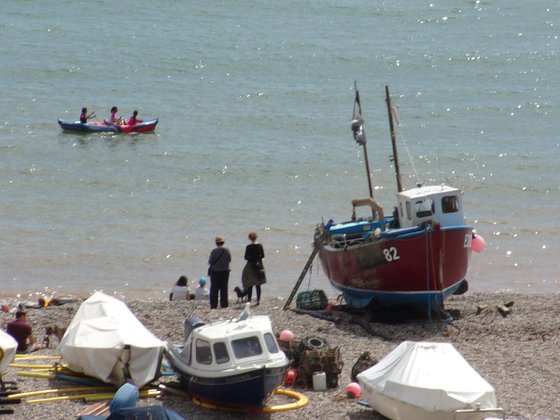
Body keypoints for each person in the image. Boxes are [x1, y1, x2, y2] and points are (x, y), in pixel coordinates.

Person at [241, 231, 266, 306]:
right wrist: (258, 258)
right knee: (258, 284)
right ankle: (258, 300)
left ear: (249, 238)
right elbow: (263, 256)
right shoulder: (260, 246)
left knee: (250, 284)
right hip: (259, 265)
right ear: (256, 237)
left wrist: (251, 258)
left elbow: (245, 257)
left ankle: (249, 300)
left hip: (250, 265)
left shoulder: (248, 247)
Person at [207, 236, 231, 309]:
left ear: (216, 243)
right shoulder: (227, 250)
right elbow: (229, 260)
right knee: (224, 288)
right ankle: (224, 304)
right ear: (223, 242)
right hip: (225, 271)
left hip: (215, 272)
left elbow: (210, 262)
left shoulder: (214, 251)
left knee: (214, 288)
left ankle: (213, 305)